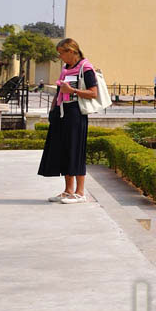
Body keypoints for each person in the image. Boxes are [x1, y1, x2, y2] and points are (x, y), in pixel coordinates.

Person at [39, 38, 97, 204]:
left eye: (62, 53)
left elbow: (93, 93)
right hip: (61, 112)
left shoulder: (85, 67)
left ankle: (80, 192)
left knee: (75, 149)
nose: (60, 57)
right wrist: (52, 111)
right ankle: (68, 190)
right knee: (64, 150)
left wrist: (72, 90)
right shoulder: (66, 68)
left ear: (71, 51)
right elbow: (59, 92)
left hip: (76, 113)